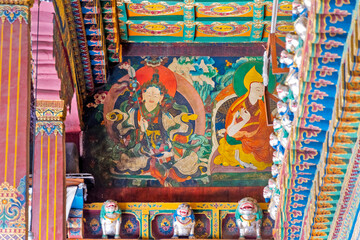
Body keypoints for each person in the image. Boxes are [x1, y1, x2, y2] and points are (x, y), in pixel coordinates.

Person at [214, 66, 274, 170]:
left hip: (258, 139)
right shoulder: (238, 107)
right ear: (249, 89)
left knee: (265, 144)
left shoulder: (263, 107)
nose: (261, 93)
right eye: (257, 89)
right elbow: (231, 132)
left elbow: (269, 127)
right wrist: (245, 120)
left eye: (262, 90)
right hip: (240, 138)